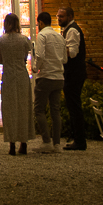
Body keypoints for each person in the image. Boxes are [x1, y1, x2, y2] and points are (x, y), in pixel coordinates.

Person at [0, 14, 34, 155]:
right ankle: (24, 142)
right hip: (22, 76)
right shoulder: (24, 40)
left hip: (9, 76)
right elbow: (25, 58)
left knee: (9, 109)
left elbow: (0, 61)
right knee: (23, 108)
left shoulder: (0, 41)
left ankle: (11, 144)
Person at [31, 10, 67, 152]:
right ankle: (57, 144)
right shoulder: (60, 37)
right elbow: (65, 59)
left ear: (40, 23)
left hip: (46, 76)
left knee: (39, 109)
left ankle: (46, 141)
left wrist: (35, 68)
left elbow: (39, 55)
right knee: (55, 111)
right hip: (59, 77)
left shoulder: (42, 35)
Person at [59, 6, 87, 150]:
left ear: (70, 17)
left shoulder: (72, 31)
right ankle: (76, 137)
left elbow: (73, 52)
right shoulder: (68, 30)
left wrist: (58, 53)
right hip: (72, 73)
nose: (59, 19)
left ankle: (80, 140)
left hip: (74, 74)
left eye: (61, 16)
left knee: (74, 106)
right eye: (58, 16)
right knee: (72, 106)